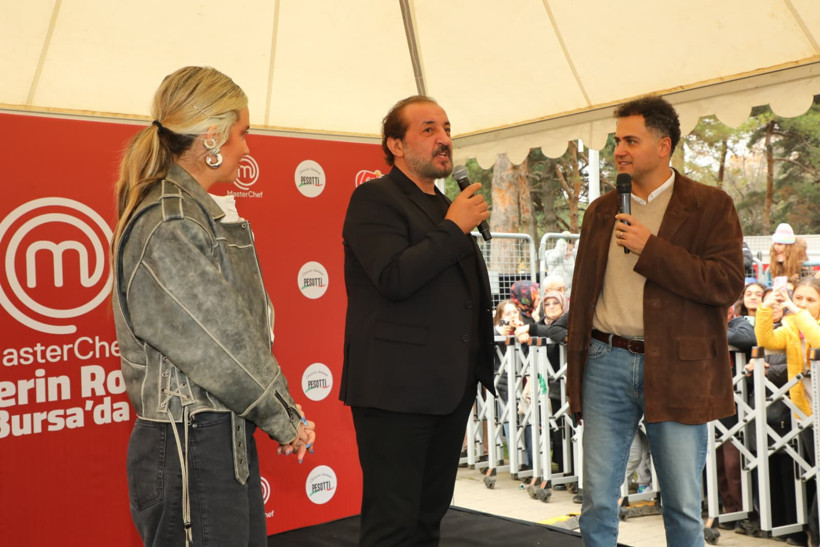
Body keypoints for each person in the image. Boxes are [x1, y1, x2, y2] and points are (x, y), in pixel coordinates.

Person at [111, 66, 316, 547]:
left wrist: (280, 412)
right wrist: (283, 416)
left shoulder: (189, 211)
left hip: (212, 437)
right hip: (193, 445)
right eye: (243, 133)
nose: (248, 148)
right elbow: (222, 345)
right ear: (212, 138)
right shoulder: (170, 221)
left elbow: (238, 329)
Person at [565, 95, 745, 546]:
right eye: (616, 141)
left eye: (631, 140)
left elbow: (725, 283)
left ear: (664, 146)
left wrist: (652, 248)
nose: (619, 151)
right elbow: (582, 295)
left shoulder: (710, 205)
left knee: (682, 505)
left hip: (678, 368)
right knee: (597, 500)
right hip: (605, 360)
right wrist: (576, 370)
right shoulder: (601, 210)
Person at [340, 95, 495, 546]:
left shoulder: (444, 206)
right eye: (428, 130)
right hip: (396, 394)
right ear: (396, 145)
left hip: (447, 391)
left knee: (428, 521)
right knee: (392, 526)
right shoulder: (374, 199)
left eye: (446, 128)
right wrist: (454, 228)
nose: (444, 139)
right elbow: (394, 277)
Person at [756, 277, 820, 546]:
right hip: (806, 412)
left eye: (811, 300)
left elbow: (818, 339)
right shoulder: (792, 326)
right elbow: (766, 339)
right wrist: (765, 308)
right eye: (799, 298)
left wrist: (795, 310)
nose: (803, 304)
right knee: (816, 475)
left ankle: (815, 534)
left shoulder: (801, 321)